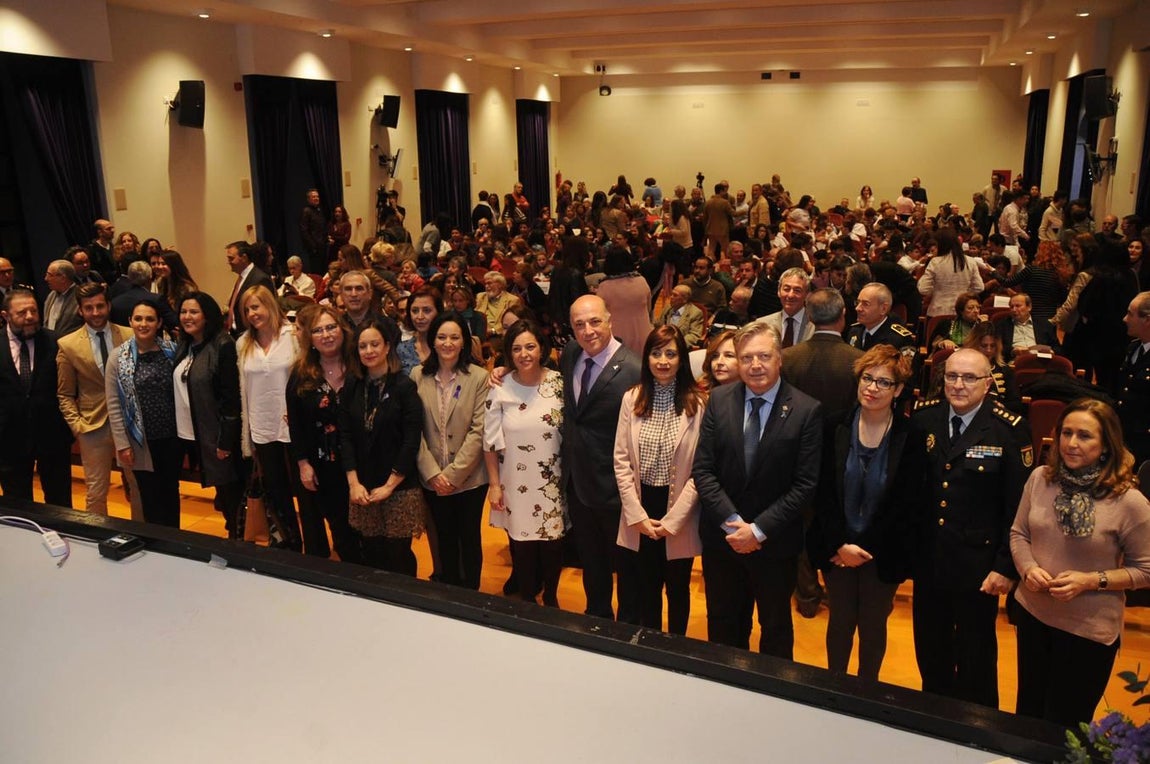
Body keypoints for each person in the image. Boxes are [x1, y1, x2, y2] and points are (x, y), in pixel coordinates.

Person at [1010, 398, 1150, 727]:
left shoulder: (1129, 501)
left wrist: (1091, 580)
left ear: (1106, 445)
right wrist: (1028, 568)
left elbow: (1145, 570)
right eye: (1066, 433)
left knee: (1066, 729)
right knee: (1027, 719)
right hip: (1033, 617)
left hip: (1087, 633)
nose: (1072, 443)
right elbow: (1019, 534)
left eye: (1084, 436)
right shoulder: (1040, 479)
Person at [691, 322, 823, 658]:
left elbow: (805, 484)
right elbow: (703, 470)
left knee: (775, 629)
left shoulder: (806, 410)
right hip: (724, 540)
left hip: (775, 545)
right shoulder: (718, 400)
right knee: (722, 624)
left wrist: (759, 530)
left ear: (780, 359)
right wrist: (734, 523)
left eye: (764, 356)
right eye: (747, 357)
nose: (755, 365)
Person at [910, 348, 1032, 707]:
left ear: (988, 382)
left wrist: (1005, 566)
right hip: (930, 560)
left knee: (976, 656)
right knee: (931, 651)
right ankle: (933, 721)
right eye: (951, 376)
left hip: (978, 567)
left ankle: (976, 731)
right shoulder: (924, 418)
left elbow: (1018, 508)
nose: (958, 385)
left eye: (969, 378)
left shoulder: (1008, 427)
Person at [808, 344, 924, 680]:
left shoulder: (911, 436)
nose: (872, 388)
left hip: (882, 553)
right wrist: (840, 545)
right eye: (867, 378)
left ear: (899, 390)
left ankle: (866, 692)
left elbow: (906, 503)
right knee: (840, 621)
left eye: (883, 382)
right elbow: (823, 492)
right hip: (837, 549)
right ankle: (835, 686)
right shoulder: (833, 426)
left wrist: (866, 549)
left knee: (873, 626)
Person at [613, 325, 706, 634]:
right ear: (646, 358)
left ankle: (677, 648)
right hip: (641, 506)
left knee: (678, 590)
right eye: (656, 353)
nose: (663, 361)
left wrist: (675, 519)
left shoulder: (698, 403)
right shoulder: (632, 398)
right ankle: (650, 648)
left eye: (670, 353)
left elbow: (700, 470)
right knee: (645, 587)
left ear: (682, 359)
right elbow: (621, 459)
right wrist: (636, 514)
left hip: (679, 507)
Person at [484, 319, 567, 606]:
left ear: (541, 348)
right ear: (509, 352)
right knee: (522, 542)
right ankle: (529, 596)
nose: (524, 354)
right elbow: (490, 441)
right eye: (516, 348)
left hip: (552, 479)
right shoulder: (500, 385)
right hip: (515, 480)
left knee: (553, 542)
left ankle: (552, 596)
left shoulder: (559, 383)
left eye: (530, 346)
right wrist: (494, 485)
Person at [340, 317, 425, 575]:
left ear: (387, 346)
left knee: (398, 556)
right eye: (362, 346)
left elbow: (411, 440)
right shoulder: (352, 386)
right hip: (363, 486)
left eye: (374, 344)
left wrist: (389, 486)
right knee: (372, 552)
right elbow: (345, 436)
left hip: (398, 487)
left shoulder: (404, 386)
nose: (369, 351)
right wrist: (354, 483)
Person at [413, 312, 489, 589]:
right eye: (442, 337)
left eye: (454, 337)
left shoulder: (479, 377)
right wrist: (433, 473)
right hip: (431, 477)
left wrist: (453, 476)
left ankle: (471, 593)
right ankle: (450, 591)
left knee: (469, 536)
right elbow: (414, 430)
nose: (448, 343)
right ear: (432, 341)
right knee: (444, 535)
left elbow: (479, 431)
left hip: (470, 479)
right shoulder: (418, 375)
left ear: (464, 342)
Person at [285, 304, 362, 561]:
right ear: (310, 339)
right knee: (340, 530)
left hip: (364, 463)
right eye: (318, 330)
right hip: (324, 465)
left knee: (367, 533)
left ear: (342, 330)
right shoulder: (301, 373)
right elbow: (295, 424)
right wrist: (303, 463)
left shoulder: (361, 366)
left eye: (331, 327)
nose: (326, 334)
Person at [173, 292, 246, 538]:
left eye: (194, 312)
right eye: (183, 312)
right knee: (221, 494)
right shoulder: (185, 345)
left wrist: (225, 440)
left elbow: (231, 399)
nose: (187, 317)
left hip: (217, 437)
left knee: (230, 495)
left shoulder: (223, 345)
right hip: (191, 432)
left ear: (208, 315)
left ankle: (238, 542)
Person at [56, 283, 132, 515]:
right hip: (92, 427)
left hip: (129, 425)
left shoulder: (129, 335)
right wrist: (77, 426)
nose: (96, 312)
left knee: (138, 487)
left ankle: (144, 536)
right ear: (80, 311)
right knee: (96, 492)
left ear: (108, 306)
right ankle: (99, 538)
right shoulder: (67, 345)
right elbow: (65, 393)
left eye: (100, 306)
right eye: (89, 308)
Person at [236, 285, 303, 551]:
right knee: (276, 490)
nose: (253, 313)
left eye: (257, 306)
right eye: (247, 309)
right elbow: (243, 389)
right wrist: (248, 432)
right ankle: (289, 541)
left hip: (292, 426)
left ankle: (316, 547)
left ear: (270, 306)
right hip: (262, 427)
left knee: (306, 490)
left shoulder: (293, 336)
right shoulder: (243, 343)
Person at [105, 301, 181, 527]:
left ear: (159, 323)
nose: (143, 323)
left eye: (150, 319)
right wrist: (122, 444)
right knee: (149, 495)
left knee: (171, 492)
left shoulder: (172, 352)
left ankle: (175, 543)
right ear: (130, 322)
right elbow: (114, 404)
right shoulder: (117, 358)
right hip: (140, 442)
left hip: (171, 438)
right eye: (138, 319)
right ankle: (158, 547)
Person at [0, 289, 73, 507]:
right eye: (22, 313)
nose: (30, 317)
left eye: (33, 310)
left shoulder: (56, 341)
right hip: (9, 439)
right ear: (5, 316)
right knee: (17, 504)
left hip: (52, 436)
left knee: (60, 502)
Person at [596, 246, 653, 356]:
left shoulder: (605, 286)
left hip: (618, 338)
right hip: (643, 334)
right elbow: (649, 308)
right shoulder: (641, 281)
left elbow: (600, 315)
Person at [918, 229, 984, 318]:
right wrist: (965, 293)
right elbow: (979, 287)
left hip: (938, 310)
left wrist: (935, 291)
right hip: (963, 311)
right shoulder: (970, 261)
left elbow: (923, 289)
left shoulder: (936, 262)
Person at [1118, 291, 1150, 466]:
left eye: (1130, 314)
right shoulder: (1133, 347)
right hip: (1125, 436)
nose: (1124, 319)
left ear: (1147, 320)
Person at [224, 241, 275, 336]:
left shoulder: (259, 278)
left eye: (231, 258)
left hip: (252, 335)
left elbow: (268, 312)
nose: (229, 262)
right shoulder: (242, 277)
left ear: (244, 258)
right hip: (237, 334)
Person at [397, 288, 442, 377]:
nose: (420, 316)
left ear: (439, 312)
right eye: (415, 311)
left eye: (426, 310)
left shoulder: (448, 346)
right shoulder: (402, 350)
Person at [300, 189, 327, 273]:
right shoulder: (306, 211)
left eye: (317, 196)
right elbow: (304, 230)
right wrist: (313, 246)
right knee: (316, 270)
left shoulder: (319, 210)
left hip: (322, 245)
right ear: (309, 199)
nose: (316, 198)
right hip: (314, 248)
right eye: (314, 197)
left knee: (323, 269)